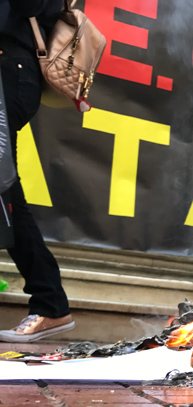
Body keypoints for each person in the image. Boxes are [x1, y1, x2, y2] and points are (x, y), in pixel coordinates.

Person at [0, 0, 75, 343]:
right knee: (4, 190)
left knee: (4, 188)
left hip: (10, 70)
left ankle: (50, 303)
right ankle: (50, 302)